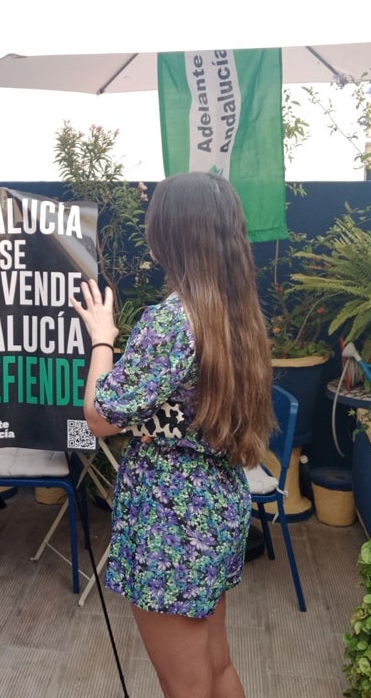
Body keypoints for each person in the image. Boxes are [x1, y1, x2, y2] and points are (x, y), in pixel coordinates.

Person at [71, 171, 273, 698]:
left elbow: (100, 415)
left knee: (183, 683)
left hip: (171, 514)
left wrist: (102, 340)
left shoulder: (173, 322)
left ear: (169, 237)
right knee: (216, 665)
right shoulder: (235, 311)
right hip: (217, 500)